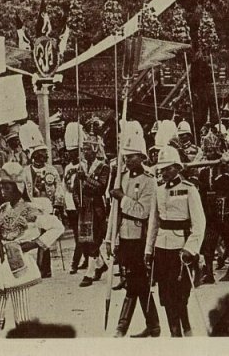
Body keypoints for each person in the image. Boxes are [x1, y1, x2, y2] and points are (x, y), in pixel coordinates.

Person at [0, 163, 65, 331]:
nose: (3, 192)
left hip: (21, 262)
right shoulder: (2, 209)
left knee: (22, 311)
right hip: (2, 262)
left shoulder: (30, 210)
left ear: (18, 188)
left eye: (7, 188)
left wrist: (35, 244)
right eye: (1, 188)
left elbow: (58, 227)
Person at [144, 146, 206, 337]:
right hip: (162, 248)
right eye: (162, 169)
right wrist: (148, 249)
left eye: (169, 168)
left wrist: (190, 249)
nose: (164, 172)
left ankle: (186, 329)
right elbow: (154, 221)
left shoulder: (189, 189)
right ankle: (175, 334)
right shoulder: (159, 190)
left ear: (178, 167)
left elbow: (199, 222)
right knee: (166, 296)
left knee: (181, 295)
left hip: (181, 249)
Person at [105, 126, 160, 338]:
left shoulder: (149, 181)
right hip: (124, 237)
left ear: (141, 157)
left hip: (140, 237)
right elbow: (114, 213)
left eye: (131, 157)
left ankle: (122, 326)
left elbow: (143, 212)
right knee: (137, 283)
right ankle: (153, 325)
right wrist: (110, 238)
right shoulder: (122, 178)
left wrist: (122, 198)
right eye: (125, 157)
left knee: (135, 283)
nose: (127, 161)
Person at [198, 136, 229, 284]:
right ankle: (208, 272)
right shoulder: (204, 169)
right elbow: (202, 188)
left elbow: (226, 183)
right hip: (210, 210)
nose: (208, 153)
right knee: (209, 241)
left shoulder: (226, 165)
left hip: (225, 208)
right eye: (206, 150)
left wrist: (222, 168)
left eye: (211, 150)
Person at [74, 140, 110, 287]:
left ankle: (89, 272)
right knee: (84, 240)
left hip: (96, 208)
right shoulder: (80, 167)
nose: (85, 152)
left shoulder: (103, 167)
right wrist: (78, 203)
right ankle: (100, 264)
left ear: (95, 151)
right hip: (84, 208)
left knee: (94, 240)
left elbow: (101, 188)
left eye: (88, 149)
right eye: (84, 150)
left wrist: (86, 179)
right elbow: (75, 189)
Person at [22, 143, 61, 279]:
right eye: (43, 152)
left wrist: (57, 205)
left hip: (47, 205)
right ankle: (36, 267)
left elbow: (59, 187)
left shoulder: (52, 170)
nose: (46, 155)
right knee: (33, 235)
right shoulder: (26, 171)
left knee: (46, 234)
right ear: (36, 155)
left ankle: (44, 268)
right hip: (33, 206)